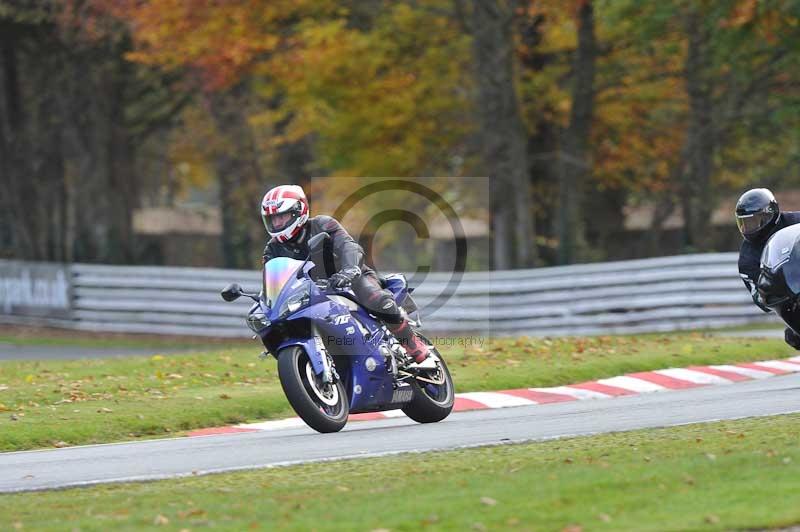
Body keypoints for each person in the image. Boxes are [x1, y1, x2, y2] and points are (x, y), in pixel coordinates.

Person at [260, 184, 430, 363]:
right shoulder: (272, 249)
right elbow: (272, 280)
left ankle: (412, 344)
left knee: (377, 299)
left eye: (282, 216)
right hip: (311, 293)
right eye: (272, 218)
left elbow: (349, 246)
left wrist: (350, 270)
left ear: (298, 211)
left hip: (351, 278)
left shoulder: (323, 224)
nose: (277, 223)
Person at [735, 188, 800, 348]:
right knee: (793, 337)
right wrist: (769, 290)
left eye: (752, 221)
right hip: (789, 294)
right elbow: (760, 298)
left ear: (769, 215)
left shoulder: (795, 219)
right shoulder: (747, 258)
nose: (748, 228)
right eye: (744, 223)